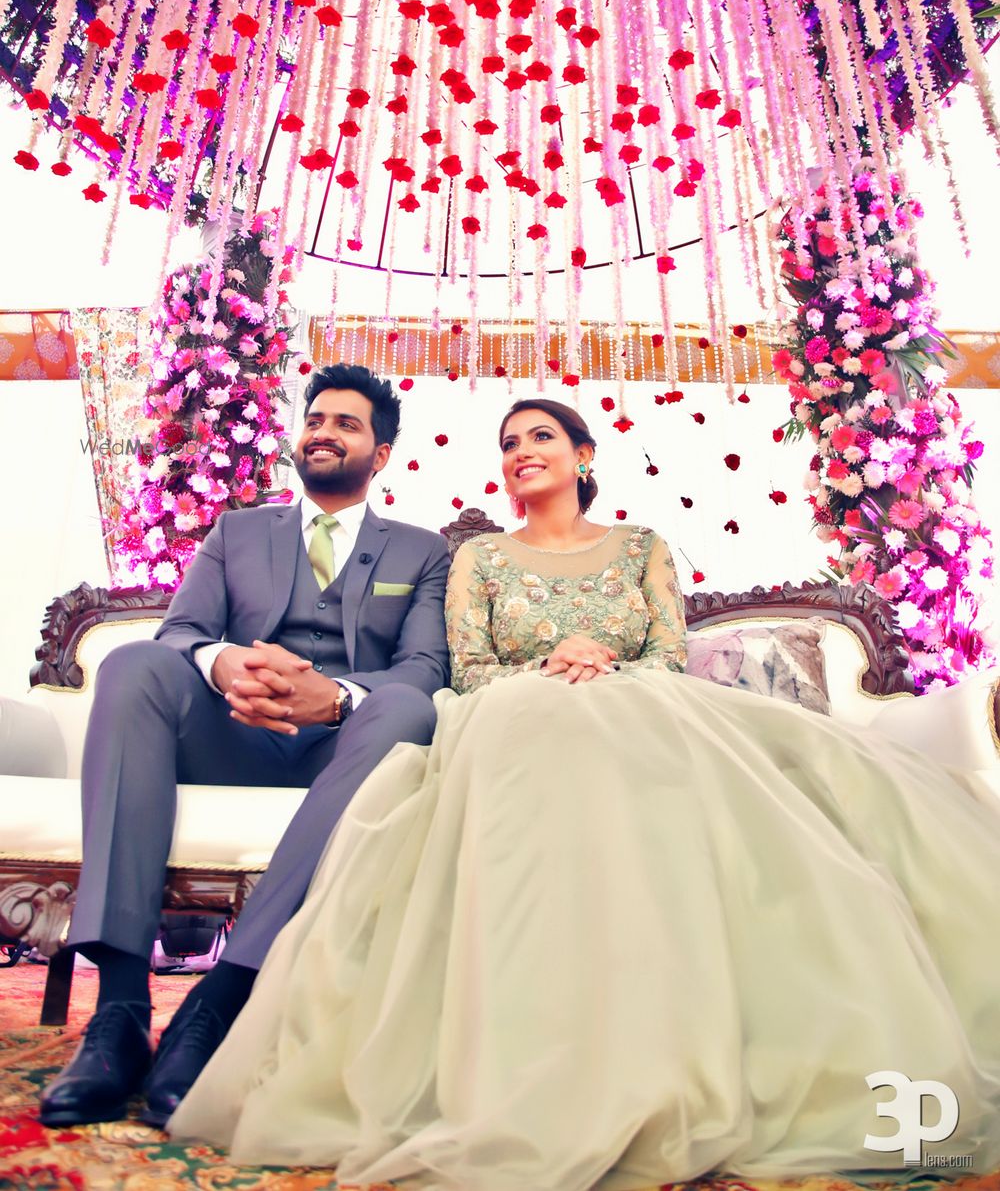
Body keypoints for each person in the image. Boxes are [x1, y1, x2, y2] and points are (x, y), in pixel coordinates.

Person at [169, 398, 1000, 1187]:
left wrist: (604, 661)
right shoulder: (478, 559)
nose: (522, 453)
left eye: (540, 438)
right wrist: (551, 665)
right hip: (512, 713)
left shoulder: (642, 547)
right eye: (509, 444)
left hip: (643, 706)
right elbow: (471, 668)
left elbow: (668, 655)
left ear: (583, 456)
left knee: (775, 775)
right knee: (536, 718)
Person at [40, 364, 451, 1130]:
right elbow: (182, 632)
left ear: (382, 454)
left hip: (342, 751)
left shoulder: (422, 553)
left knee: (401, 704)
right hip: (235, 734)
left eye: (347, 424)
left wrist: (336, 698)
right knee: (135, 664)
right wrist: (221, 661)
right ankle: (119, 1015)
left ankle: (216, 1004)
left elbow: (426, 668)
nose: (324, 431)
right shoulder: (237, 530)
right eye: (317, 418)